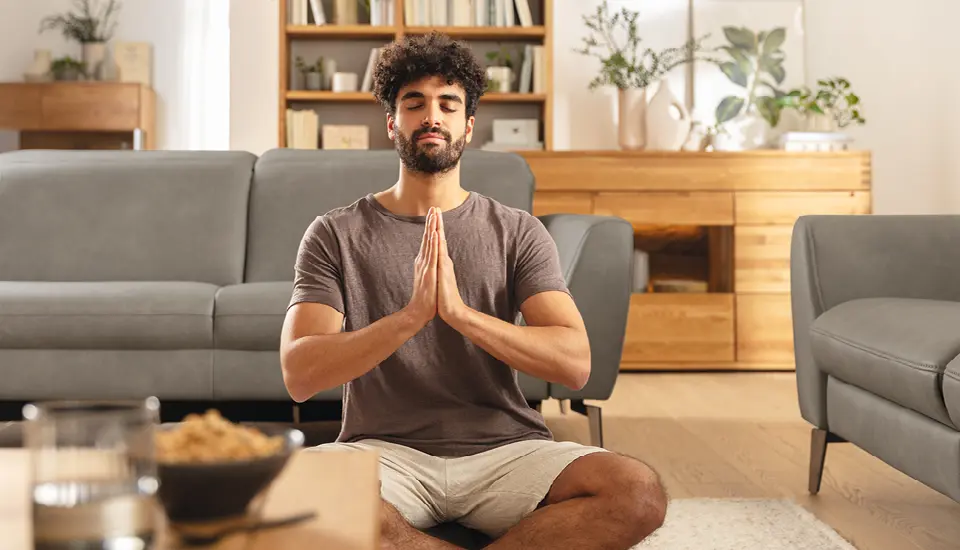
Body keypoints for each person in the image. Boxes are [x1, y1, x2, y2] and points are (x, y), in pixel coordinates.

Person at [279, 32, 667, 549]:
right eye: (414, 103)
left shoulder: (517, 230)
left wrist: (460, 314)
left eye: (448, 103)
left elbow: (575, 363)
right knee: (290, 488)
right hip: (383, 451)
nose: (431, 116)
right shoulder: (335, 233)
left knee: (638, 491)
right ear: (392, 122)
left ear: (468, 124)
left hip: (506, 450)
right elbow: (300, 374)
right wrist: (409, 318)